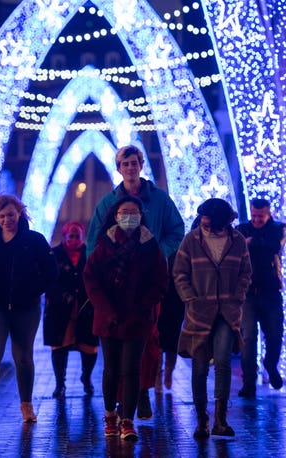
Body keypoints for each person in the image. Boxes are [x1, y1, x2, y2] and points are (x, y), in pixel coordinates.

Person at [86, 144, 184, 419]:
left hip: (146, 285)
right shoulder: (107, 202)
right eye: (125, 163)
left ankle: (141, 392)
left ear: (141, 165)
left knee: (149, 342)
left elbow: (177, 229)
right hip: (115, 287)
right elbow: (94, 240)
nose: (130, 167)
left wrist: (159, 254)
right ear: (119, 169)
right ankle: (120, 401)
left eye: (134, 162)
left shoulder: (160, 200)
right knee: (116, 349)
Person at [0, 195, 58, 426]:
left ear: (20, 214)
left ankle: (26, 405)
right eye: (2, 215)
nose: (7, 219)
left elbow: (51, 272)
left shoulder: (34, 240)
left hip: (25, 308)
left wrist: (32, 290)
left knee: (23, 356)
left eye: (11, 215)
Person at [84, 196, 168, 441]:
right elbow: (91, 279)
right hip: (108, 318)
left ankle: (127, 420)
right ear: (115, 214)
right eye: (124, 211)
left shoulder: (151, 247)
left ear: (141, 216)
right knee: (111, 370)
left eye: (133, 212)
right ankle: (110, 415)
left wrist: (142, 306)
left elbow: (160, 282)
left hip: (137, 318)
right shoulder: (104, 244)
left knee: (132, 370)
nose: (128, 216)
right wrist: (106, 309)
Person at [173, 198, 252, 439]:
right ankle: (201, 418)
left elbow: (245, 273)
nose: (204, 224)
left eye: (208, 221)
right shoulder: (192, 240)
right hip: (199, 312)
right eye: (202, 220)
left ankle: (220, 418)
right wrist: (190, 298)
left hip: (227, 312)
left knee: (222, 362)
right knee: (198, 367)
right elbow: (179, 273)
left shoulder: (237, 241)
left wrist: (237, 297)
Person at [236, 198, 286, 399]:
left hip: (271, 291)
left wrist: (251, 243)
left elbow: (274, 246)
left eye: (261, 216)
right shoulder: (242, 229)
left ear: (269, 213)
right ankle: (249, 383)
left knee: (275, 335)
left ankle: (270, 365)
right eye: (254, 215)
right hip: (248, 292)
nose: (256, 220)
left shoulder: (277, 228)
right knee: (248, 338)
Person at [43, 221, 98, 399]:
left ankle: (86, 378)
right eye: (71, 236)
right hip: (60, 310)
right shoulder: (53, 254)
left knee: (89, 347)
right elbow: (48, 279)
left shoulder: (90, 254)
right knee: (59, 347)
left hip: (86, 308)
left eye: (77, 236)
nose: (74, 239)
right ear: (64, 236)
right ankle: (60, 384)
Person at [155, 252, 185, 393]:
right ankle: (158, 376)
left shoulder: (177, 254)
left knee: (172, 342)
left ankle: (168, 372)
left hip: (175, 302)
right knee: (159, 342)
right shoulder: (160, 252)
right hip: (161, 302)